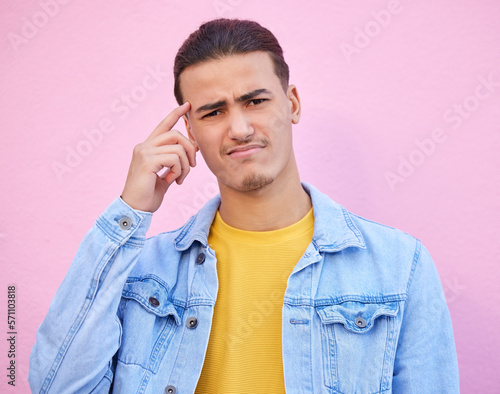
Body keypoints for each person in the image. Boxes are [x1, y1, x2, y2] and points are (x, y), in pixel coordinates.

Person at [29, 18, 459, 393]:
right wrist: (129, 211)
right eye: (213, 112)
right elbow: (57, 386)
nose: (238, 128)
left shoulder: (399, 266)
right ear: (190, 132)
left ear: (292, 103)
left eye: (255, 101)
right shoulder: (142, 271)